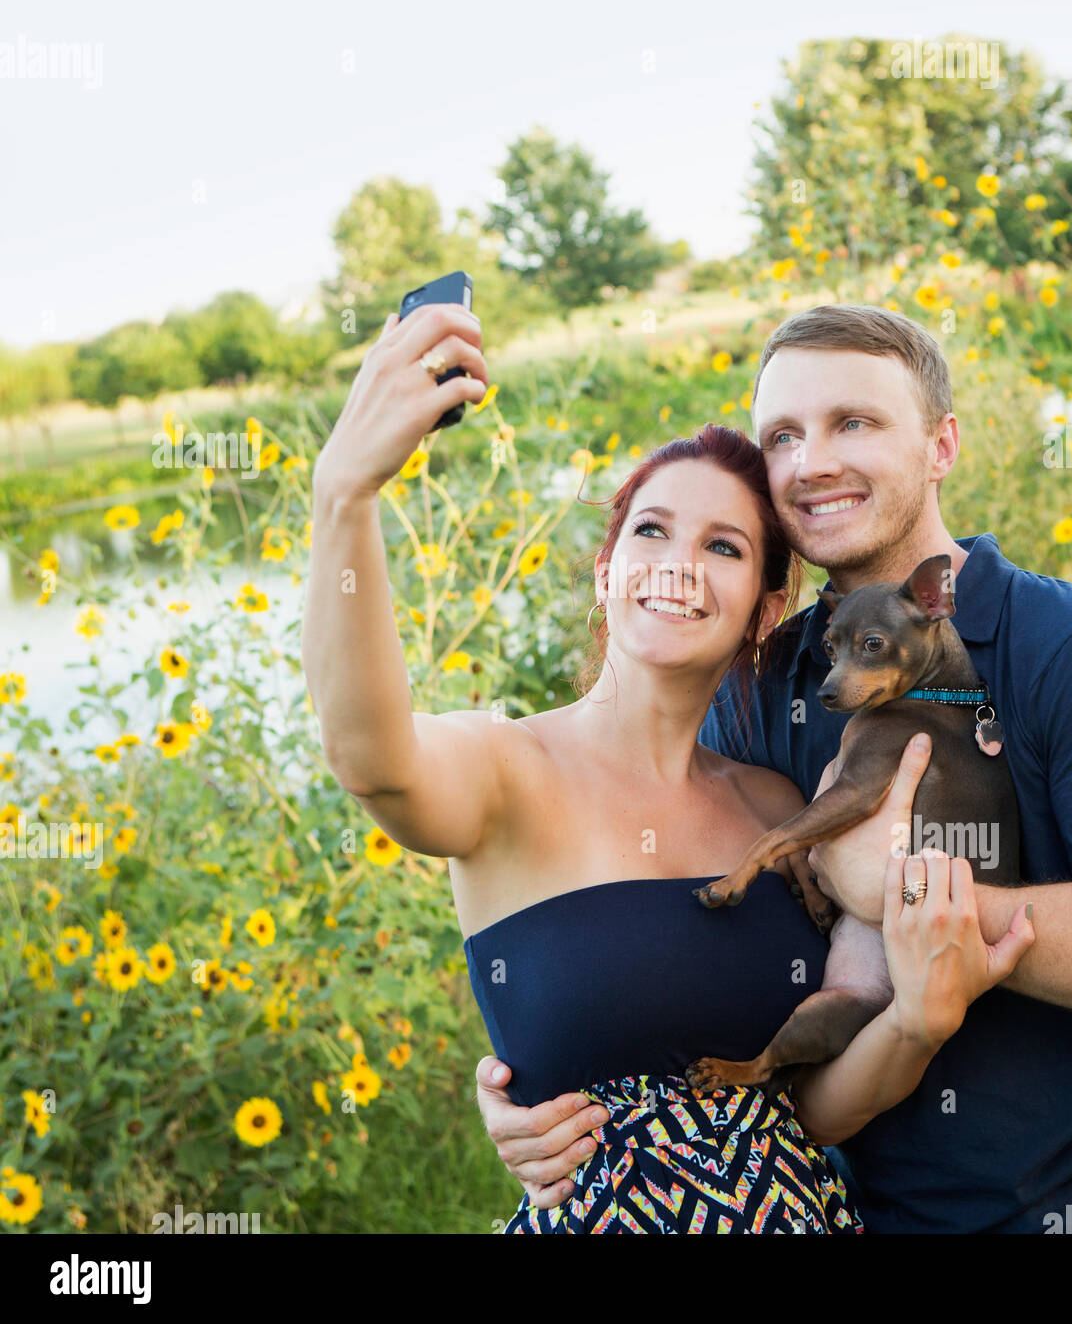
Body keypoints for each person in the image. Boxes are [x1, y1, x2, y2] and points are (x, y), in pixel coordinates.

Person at [477, 303, 1072, 1235]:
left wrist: (899, 890)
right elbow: (661, 929)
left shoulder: (1069, 643)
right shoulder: (758, 680)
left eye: (853, 423)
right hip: (837, 1215)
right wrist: (534, 1082)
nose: (811, 461)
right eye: (782, 434)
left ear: (942, 444)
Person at [301, 301, 1034, 1234]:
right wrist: (345, 493)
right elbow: (366, 753)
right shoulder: (502, 768)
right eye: (650, 532)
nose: (678, 564)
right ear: (605, 569)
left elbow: (811, 1111)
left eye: (723, 547)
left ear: (763, 612)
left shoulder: (774, 806)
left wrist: (915, 1027)